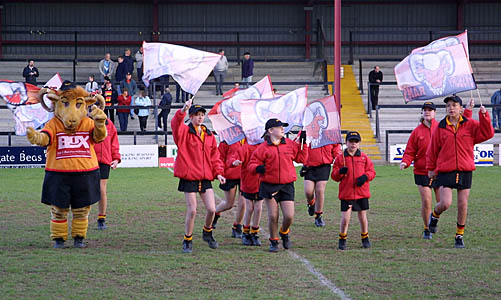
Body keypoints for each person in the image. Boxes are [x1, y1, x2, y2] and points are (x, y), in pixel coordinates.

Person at [427, 95, 494, 248]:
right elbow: (433, 149)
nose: (451, 108)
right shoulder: (441, 127)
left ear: (461, 109)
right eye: (448, 105)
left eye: (454, 105)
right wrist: (431, 168)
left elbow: (487, 133)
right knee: (445, 203)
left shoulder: (470, 124)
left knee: (463, 203)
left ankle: (459, 235)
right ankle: (435, 215)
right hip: (446, 169)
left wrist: (484, 116)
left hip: (465, 169)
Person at [171, 99, 226, 253]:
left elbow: (215, 158)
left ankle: (207, 232)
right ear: (191, 117)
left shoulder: (208, 135)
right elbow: (176, 125)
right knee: (193, 210)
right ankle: (187, 239)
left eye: (202, 115)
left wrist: (219, 173)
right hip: (189, 177)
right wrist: (182, 110)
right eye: (196, 115)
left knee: (211, 209)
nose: (200, 117)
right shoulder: (184, 132)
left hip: (205, 177)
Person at [248, 119, 309, 252]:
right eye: (279, 127)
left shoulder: (289, 144)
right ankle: (274, 241)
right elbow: (251, 164)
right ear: (270, 131)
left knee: (289, 216)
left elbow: (301, 159)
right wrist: (258, 168)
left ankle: (284, 232)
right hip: (269, 185)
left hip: (287, 185)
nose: (282, 129)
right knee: (273, 216)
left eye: (283, 127)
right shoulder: (262, 148)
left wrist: (304, 144)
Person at [400, 102, 441, 239]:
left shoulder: (441, 128)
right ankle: (426, 228)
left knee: (443, 202)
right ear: (422, 113)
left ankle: (433, 219)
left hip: (439, 171)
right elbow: (410, 151)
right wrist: (405, 162)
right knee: (426, 201)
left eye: (430, 110)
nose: (427, 112)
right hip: (421, 171)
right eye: (425, 110)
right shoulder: (417, 132)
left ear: (435, 113)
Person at [331, 131, 376, 250]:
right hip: (347, 193)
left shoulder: (364, 157)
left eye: (356, 141)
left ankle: (365, 237)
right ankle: (342, 238)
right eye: (351, 141)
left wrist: (365, 177)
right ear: (346, 143)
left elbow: (372, 172)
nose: (353, 144)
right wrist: (340, 172)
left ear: (359, 143)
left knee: (362, 217)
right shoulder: (340, 158)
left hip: (362, 193)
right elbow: (334, 176)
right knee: (345, 218)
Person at [229, 139, 264, 246]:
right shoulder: (247, 147)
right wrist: (233, 162)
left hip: (261, 183)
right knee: (249, 208)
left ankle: (254, 233)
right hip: (248, 183)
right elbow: (234, 157)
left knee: (258, 208)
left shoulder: (264, 147)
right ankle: (246, 232)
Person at [300, 140, 342, 227]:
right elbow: (299, 143)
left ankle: (318, 216)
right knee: (308, 191)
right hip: (309, 166)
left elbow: (336, 147)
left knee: (320, 190)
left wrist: (338, 158)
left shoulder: (329, 133)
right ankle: (311, 203)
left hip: (324, 165)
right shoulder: (308, 130)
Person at [211, 140, 245, 238]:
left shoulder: (249, 138)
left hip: (245, 175)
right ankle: (215, 214)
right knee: (229, 204)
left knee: (243, 203)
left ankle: (237, 226)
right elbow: (220, 158)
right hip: (230, 175)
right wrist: (220, 172)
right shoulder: (227, 141)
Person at [94, 118, 121, 230]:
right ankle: (80, 219)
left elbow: (114, 142)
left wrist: (116, 158)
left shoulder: (109, 123)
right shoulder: (84, 122)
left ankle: (101, 218)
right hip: (88, 161)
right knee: (84, 190)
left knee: (101, 189)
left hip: (104, 161)